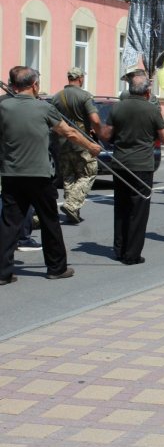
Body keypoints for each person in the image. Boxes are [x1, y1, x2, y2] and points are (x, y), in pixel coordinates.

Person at [0, 66, 101, 285]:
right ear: (35, 85)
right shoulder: (43, 108)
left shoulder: (3, 106)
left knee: (9, 223)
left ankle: (2, 272)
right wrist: (91, 146)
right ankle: (56, 267)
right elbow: (69, 132)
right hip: (39, 174)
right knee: (49, 221)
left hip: (11, 174)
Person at [100, 73, 164, 265]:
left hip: (120, 164)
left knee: (121, 207)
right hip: (142, 166)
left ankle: (119, 248)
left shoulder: (117, 107)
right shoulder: (152, 110)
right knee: (138, 210)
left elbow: (106, 134)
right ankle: (132, 254)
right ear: (147, 91)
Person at [51, 67, 103, 223]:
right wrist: (99, 133)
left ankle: (72, 212)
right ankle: (72, 205)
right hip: (82, 141)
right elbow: (94, 119)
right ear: (80, 78)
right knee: (88, 173)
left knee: (69, 177)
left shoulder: (56, 97)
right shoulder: (84, 96)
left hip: (62, 141)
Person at [0, 67, 42, 251]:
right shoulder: (29, 104)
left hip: (6, 158)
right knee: (23, 202)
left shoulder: (2, 103)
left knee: (8, 202)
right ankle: (23, 237)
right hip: (25, 161)